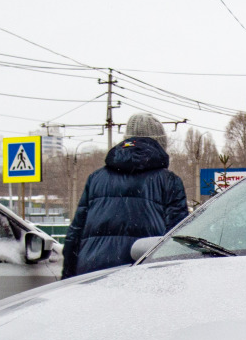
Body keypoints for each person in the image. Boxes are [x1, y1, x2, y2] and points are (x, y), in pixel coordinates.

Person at [61, 114, 188, 278]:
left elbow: (75, 234)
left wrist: (68, 278)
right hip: (143, 274)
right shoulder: (169, 181)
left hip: (93, 274)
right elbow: (177, 239)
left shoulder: (96, 178)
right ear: (160, 143)